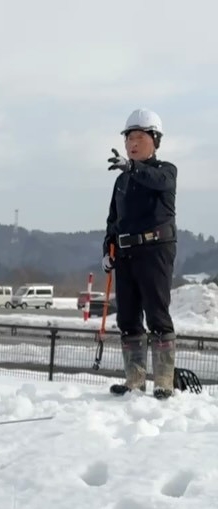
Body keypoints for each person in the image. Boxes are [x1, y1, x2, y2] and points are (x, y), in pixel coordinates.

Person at [103, 108, 178, 399]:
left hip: (155, 250)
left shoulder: (165, 171)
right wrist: (107, 249)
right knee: (128, 318)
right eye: (128, 138)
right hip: (126, 252)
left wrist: (132, 167)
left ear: (154, 139)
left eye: (139, 137)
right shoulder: (121, 181)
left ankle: (163, 381)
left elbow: (160, 183)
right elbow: (113, 220)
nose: (132, 144)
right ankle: (134, 379)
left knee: (157, 314)